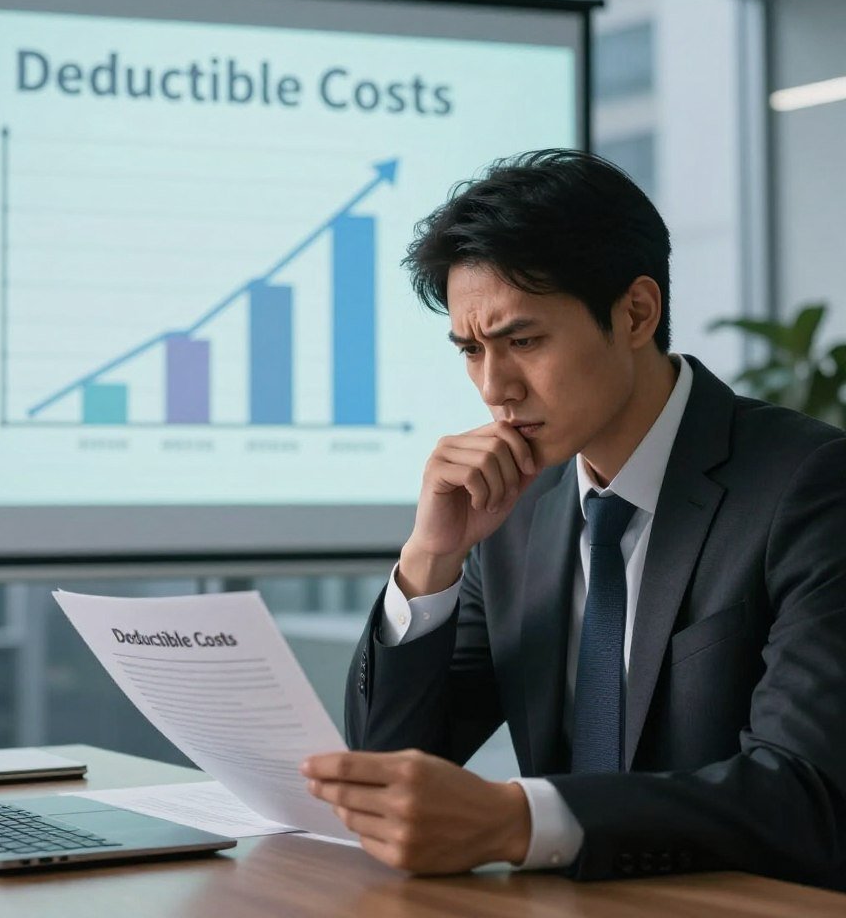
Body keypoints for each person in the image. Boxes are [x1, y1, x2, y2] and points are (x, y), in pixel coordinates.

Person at [300, 149, 846, 888]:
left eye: (523, 341)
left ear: (636, 313)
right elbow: (390, 772)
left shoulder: (810, 485)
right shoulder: (516, 509)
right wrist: (430, 558)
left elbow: (804, 797)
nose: (495, 387)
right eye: (471, 350)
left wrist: (520, 820)